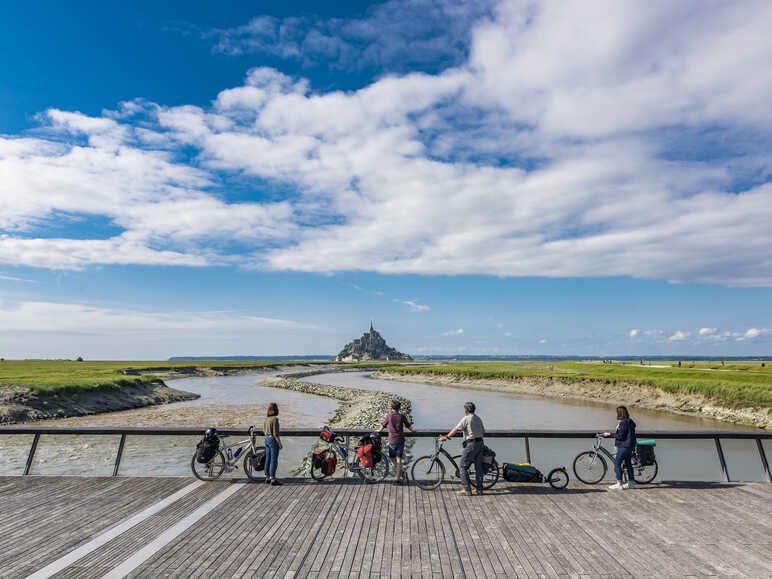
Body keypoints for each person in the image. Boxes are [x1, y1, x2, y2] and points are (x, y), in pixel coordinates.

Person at [440, 402, 485, 496]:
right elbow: (483, 431)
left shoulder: (467, 418)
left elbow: (456, 429)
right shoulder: (478, 418)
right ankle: (479, 489)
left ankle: (467, 489)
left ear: (466, 410)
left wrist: (446, 436)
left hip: (471, 444)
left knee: (462, 466)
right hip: (480, 443)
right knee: (478, 467)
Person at [377, 400, 416, 485]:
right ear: (399, 408)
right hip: (400, 440)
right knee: (399, 459)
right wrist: (413, 430)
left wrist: (379, 430)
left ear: (392, 407)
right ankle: (399, 475)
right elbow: (408, 425)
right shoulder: (402, 416)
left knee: (392, 458)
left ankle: (399, 476)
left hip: (392, 440)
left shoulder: (389, 416)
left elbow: (384, 425)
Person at [603, 406, 637, 490]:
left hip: (624, 446)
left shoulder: (623, 422)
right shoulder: (630, 421)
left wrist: (609, 434)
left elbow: (620, 436)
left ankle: (619, 484)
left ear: (619, 413)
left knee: (617, 464)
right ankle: (631, 483)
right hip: (630, 446)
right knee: (628, 464)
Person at [264, 402, 283, 486]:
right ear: (276, 410)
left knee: (267, 458)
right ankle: (273, 479)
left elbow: (264, 431)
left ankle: (267, 477)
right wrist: (279, 443)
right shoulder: (275, 419)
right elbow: (275, 433)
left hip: (266, 438)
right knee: (274, 460)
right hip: (272, 439)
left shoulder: (266, 419)